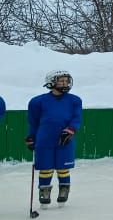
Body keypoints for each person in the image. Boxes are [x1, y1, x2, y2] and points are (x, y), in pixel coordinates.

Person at [27, 70, 83, 205]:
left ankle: (64, 189)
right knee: (45, 167)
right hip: (44, 140)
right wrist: (31, 137)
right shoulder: (37, 101)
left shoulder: (75, 100)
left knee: (63, 167)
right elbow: (33, 122)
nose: (65, 83)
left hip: (65, 140)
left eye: (66, 80)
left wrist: (70, 130)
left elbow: (77, 118)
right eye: (61, 80)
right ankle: (44, 192)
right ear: (51, 82)